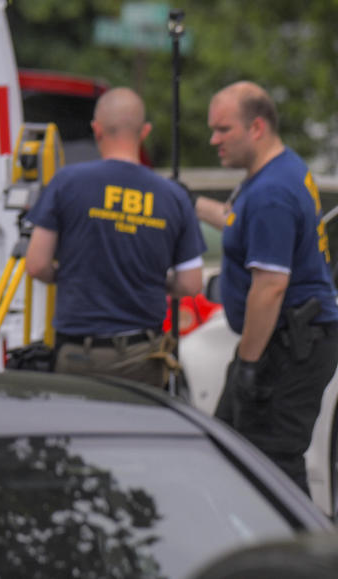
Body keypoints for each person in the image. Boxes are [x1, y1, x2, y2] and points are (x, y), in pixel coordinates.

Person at [196, 81, 338, 493]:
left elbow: (271, 287)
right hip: (288, 342)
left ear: (256, 127)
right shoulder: (278, 172)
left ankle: (299, 553)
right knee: (228, 448)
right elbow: (237, 222)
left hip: (290, 347)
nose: (214, 140)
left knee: (271, 465)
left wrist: (249, 366)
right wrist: (191, 202)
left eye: (223, 129)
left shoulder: (272, 191)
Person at [25, 87, 205, 388]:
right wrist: (143, 280)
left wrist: (74, 275)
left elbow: (37, 265)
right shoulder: (173, 196)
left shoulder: (66, 183)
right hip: (144, 355)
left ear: (96, 130)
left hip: (79, 355)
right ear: (144, 131)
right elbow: (191, 284)